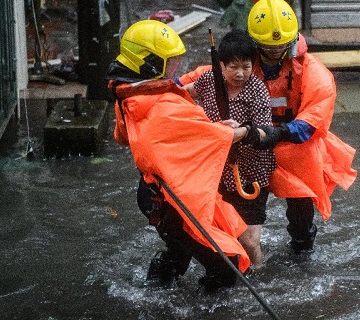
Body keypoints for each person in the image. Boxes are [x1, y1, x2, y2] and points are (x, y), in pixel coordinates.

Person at [187, 0, 356, 254]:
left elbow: (314, 120)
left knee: (301, 212)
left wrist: (277, 133)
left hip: (293, 146)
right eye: (268, 47)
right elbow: (196, 81)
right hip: (248, 148)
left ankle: (301, 250)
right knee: (235, 210)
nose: (275, 53)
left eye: (280, 47)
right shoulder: (240, 63)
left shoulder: (313, 71)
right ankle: (238, 251)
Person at [105, 19, 255, 291]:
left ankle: (154, 292)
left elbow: (124, 137)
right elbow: (202, 136)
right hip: (171, 200)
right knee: (226, 264)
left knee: (179, 252)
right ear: (151, 64)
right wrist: (244, 131)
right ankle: (203, 306)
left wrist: (208, 130)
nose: (177, 69)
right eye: (171, 63)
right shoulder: (162, 104)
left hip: (153, 192)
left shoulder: (129, 96)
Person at [183, 29, 276, 269]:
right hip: (218, 172)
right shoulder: (208, 80)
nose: (240, 73)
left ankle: (258, 275)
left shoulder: (257, 91)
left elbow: (265, 131)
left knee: (249, 239)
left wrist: (242, 131)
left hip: (252, 174)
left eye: (246, 66)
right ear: (221, 65)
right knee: (225, 236)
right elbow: (183, 93)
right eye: (233, 67)